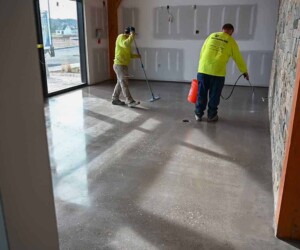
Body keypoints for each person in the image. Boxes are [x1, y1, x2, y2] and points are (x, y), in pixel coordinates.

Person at [195, 23, 249, 122]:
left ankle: (198, 114)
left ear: (222, 29)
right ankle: (211, 116)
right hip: (218, 72)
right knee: (214, 95)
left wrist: (201, 67)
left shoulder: (211, 36)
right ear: (231, 32)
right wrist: (244, 71)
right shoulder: (231, 41)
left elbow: (202, 51)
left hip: (203, 69)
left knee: (201, 93)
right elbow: (238, 58)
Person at [111, 26, 141, 107]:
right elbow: (125, 44)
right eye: (132, 35)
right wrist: (132, 35)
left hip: (123, 65)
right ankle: (130, 101)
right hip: (119, 65)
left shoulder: (127, 39)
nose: (133, 37)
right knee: (124, 83)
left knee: (120, 82)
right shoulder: (121, 37)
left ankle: (115, 99)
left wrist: (137, 56)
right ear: (129, 33)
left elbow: (129, 55)